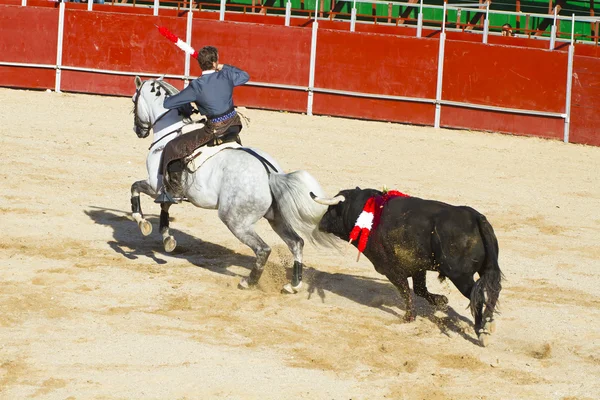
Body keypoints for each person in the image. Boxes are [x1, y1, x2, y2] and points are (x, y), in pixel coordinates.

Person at [155, 46, 250, 204]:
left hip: (215, 129)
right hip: (234, 125)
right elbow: (245, 76)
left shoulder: (196, 86)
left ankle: (175, 190)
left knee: (172, 146)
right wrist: (222, 66)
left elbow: (168, 103)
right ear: (215, 62)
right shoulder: (225, 74)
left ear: (200, 64)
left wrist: (187, 102)